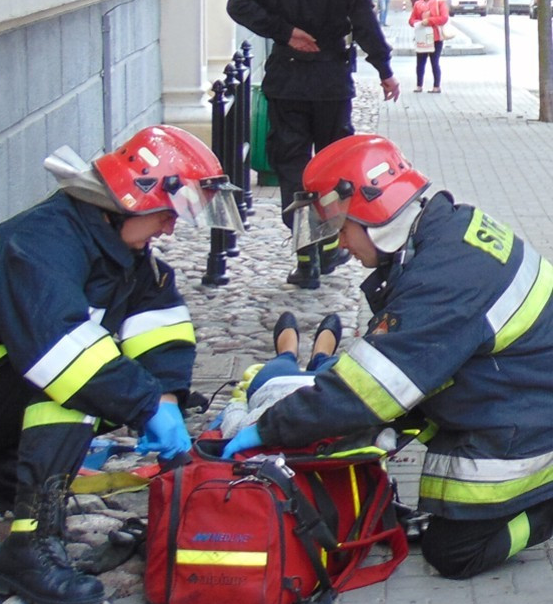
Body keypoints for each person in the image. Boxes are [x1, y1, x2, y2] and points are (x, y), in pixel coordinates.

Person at [224, 133, 553, 580]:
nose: (340, 244)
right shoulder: (443, 234)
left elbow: (371, 389)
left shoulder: (444, 274)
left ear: (375, 212)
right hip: (514, 394)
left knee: (455, 554)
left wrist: (268, 428)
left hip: (530, 414)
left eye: (341, 228)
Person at [0, 125, 243, 604]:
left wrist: (165, 398)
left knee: (114, 384)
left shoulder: (121, 252)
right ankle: (29, 550)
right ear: (135, 198)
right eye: (168, 214)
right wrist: (146, 404)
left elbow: (162, 327)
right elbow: (59, 354)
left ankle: (3, 474)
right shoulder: (41, 241)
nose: (170, 228)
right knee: (76, 383)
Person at [226, 0, 399, 290]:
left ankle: (307, 259)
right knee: (334, 168)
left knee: (292, 169)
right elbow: (365, 22)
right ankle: (327, 246)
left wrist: (284, 32)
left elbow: (237, 5)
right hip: (330, 84)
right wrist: (385, 70)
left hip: (287, 83)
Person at [219, 311, 342, 438]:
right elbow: (232, 425)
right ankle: (320, 355)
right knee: (334, 365)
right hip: (326, 391)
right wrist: (239, 404)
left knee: (284, 360)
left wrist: (240, 401)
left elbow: (232, 430)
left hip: (278, 385)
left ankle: (291, 352)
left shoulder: (249, 433)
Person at [408, 0, 449, 94]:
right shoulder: (417, 4)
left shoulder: (439, 3)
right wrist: (417, 22)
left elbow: (444, 18)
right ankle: (419, 85)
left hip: (435, 37)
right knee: (420, 62)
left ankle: (436, 86)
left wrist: (429, 21)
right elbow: (411, 19)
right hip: (421, 35)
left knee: (434, 62)